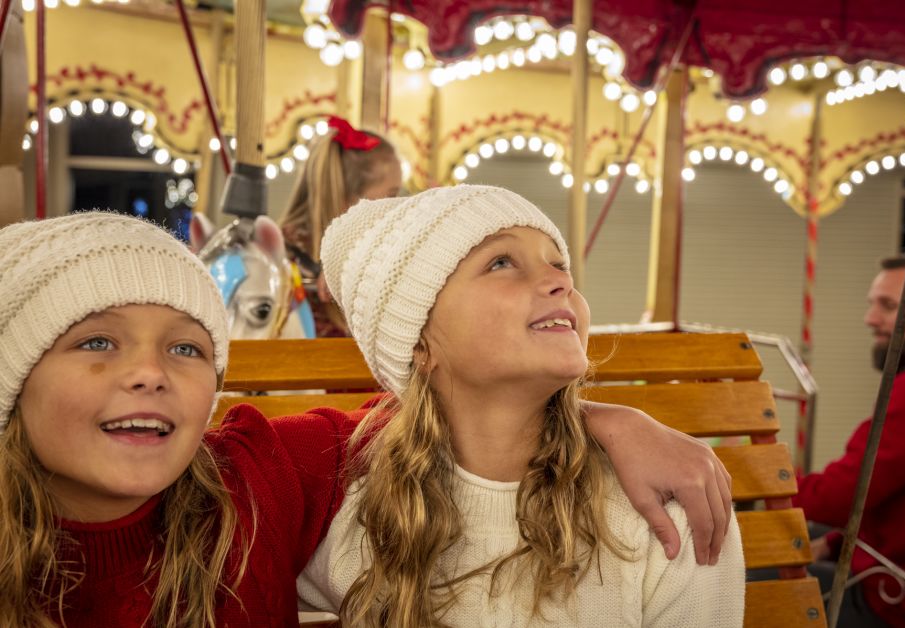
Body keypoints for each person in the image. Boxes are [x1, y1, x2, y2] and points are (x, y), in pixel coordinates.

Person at [0, 211, 733, 626]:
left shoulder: (257, 480)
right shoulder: (300, 487)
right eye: (96, 341)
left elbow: (465, 424)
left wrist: (602, 420)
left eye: (188, 348)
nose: (149, 371)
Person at [297, 185, 745, 626]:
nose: (562, 280)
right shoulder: (358, 522)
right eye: (501, 262)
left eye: (558, 263)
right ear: (418, 343)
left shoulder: (670, 507)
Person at [794, 253, 905, 628]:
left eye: (888, 306)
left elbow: (839, 497)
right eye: (872, 304)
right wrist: (833, 543)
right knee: (809, 536)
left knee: (746, 584)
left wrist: (755, 474)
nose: (870, 318)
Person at [279, 116, 402, 337]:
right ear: (347, 199)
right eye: (391, 196)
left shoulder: (379, 253)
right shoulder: (284, 260)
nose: (396, 208)